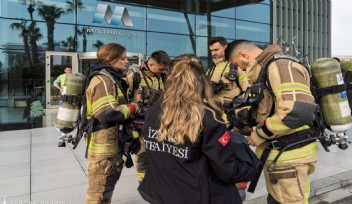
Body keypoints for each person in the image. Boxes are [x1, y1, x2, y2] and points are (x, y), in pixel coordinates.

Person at [138, 54, 260, 204]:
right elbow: (228, 171)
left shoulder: (154, 111)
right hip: (196, 195)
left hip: (160, 193)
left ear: (170, 79)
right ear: (202, 81)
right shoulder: (207, 118)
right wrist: (249, 161)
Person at [225, 40, 319, 204]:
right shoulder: (266, 69)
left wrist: (259, 134)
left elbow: (297, 111)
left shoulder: (280, 66)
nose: (240, 70)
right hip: (281, 157)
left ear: (243, 55)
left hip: (289, 157)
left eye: (237, 64)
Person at [85, 43, 139, 204]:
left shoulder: (112, 79)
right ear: (110, 59)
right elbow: (107, 113)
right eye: (122, 59)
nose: (126, 62)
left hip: (111, 147)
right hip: (103, 151)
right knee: (98, 195)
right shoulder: (103, 81)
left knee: (105, 192)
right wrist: (132, 107)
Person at [207, 36, 249, 199]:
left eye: (216, 49)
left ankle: (239, 193)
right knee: (218, 157)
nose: (214, 53)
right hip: (216, 122)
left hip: (234, 122)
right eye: (211, 51)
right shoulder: (210, 69)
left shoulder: (237, 67)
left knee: (237, 155)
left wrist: (241, 116)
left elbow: (248, 93)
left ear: (225, 48)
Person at [126, 50, 171, 183]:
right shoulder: (134, 75)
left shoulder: (163, 75)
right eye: (161, 68)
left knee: (160, 152)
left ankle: (157, 179)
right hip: (140, 124)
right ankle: (144, 183)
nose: (163, 71)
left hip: (160, 122)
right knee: (143, 154)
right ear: (151, 64)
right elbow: (123, 99)